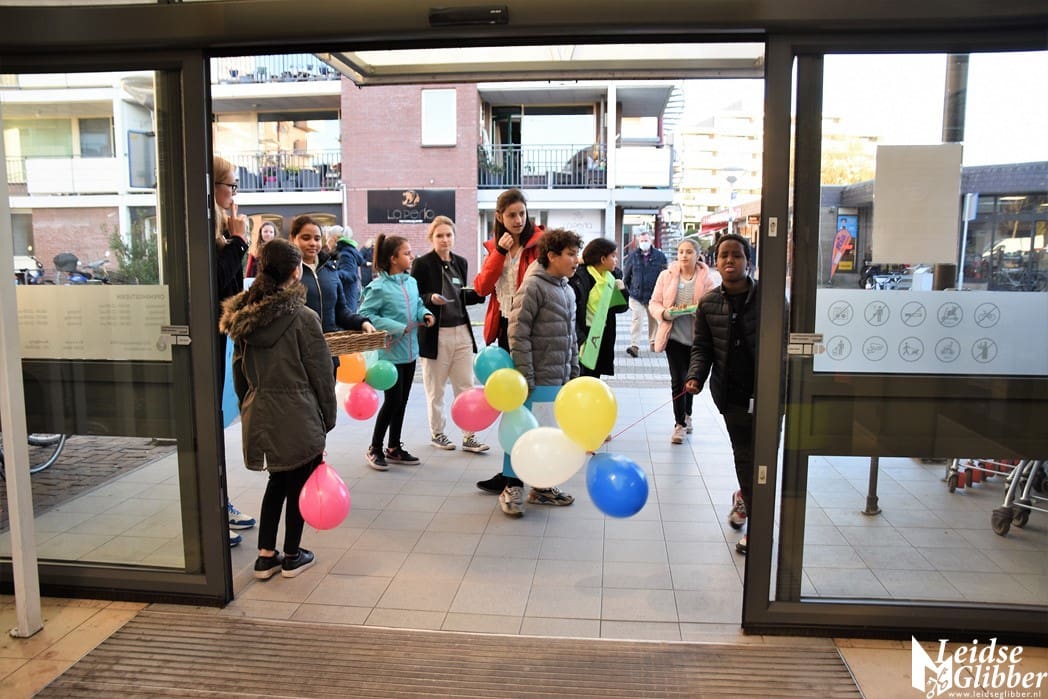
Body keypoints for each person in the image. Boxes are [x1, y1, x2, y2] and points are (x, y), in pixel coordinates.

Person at [219, 238, 335, 579]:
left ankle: (265, 556)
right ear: (296, 272)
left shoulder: (244, 321)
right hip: (298, 411)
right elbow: (321, 374)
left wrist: (251, 406)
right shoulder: (304, 318)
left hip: (261, 409)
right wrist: (327, 418)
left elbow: (239, 375)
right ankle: (293, 555)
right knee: (299, 484)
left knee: (277, 481)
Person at [498, 227, 583, 517]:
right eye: (570, 254)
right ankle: (511, 487)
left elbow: (571, 337)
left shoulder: (567, 289)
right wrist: (526, 375)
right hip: (535, 377)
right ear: (552, 256)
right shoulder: (533, 285)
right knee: (522, 433)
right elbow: (517, 332)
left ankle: (542, 487)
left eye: (576, 254)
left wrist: (573, 372)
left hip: (558, 377)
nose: (576, 260)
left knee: (549, 434)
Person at [684, 233, 760, 556]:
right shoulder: (709, 303)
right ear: (716, 262)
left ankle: (745, 498)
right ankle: (757, 525)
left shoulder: (770, 299)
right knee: (745, 455)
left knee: (764, 457)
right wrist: (695, 377)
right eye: (723, 255)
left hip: (768, 392)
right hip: (732, 395)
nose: (729, 260)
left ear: (748, 262)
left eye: (737, 255)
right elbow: (702, 347)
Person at [472, 188, 544, 495]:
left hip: (531, 329)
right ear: (500, 217)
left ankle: (526, 473)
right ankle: (510, 471)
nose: (518, 220)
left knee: (528, 400)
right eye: (511, 215)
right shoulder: (495, 247)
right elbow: (481, 287)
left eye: (522, 214)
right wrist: (499, 254)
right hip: (504, 328)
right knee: (510, 400)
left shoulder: (539, 245)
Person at [411, 216, 489, 453]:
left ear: (454, 236)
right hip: (436, 333)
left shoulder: (460, 262)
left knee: (465, 386)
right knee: (436, 389)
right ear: (431, 238)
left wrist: (482, 292)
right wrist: (430, 298)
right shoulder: (422, 264)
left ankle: (469, 435)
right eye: (439, 236)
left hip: (461, 331)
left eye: (448, 235)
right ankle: (438, 433)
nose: (445, 240)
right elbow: (415, 296)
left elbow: (461, 295)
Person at [357, 234, 434, 471]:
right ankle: (375, 448)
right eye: (406, 253)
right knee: (392, 402)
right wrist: (396, 327)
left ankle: (393, 447)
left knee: (402, 402)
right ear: (393, 259)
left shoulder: (411, 282)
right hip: (389, 355)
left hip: (410, 352)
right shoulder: (378, 287)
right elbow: (365, 314)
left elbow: (417, 305)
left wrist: (425, 314)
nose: (411, 256)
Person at [212, 155, 257, 547]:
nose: (234, 193)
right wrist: (239, 241)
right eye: (231, 185)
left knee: (216, 426)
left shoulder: (220, 229)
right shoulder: (206, 230)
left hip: (220, 337)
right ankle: (212, 513)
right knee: (208, 429)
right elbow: (216, 280)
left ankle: (220, 503)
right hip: (204, 341)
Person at [287, 216, 375, 378]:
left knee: (328, 395)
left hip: (328, 356)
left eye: (317, 238)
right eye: (306, 238)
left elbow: (341, 311)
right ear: (293, 238)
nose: (313, 243)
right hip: (296, 358)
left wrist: (362, 322)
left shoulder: (330, 271)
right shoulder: (285, 273)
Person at [649, 237, 716, 445]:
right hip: (674, 337)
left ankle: (688, 414)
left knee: (690, 379)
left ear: (697, 255)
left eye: (688, 252)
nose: (684, 256)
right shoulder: (666, 275)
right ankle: (679, 424)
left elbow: (713, 306)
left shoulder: (706, 278)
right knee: (678, 380)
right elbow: (654, 303)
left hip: (697, 340)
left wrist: (699, 311)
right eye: (680, 252)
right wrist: (665, 313)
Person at [568, 237, 628, 379]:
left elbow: (620, 308)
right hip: (585, 335)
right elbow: (572, 314)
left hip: (603, 335)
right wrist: (581, 340)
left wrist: (623, 291)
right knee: (582, 377)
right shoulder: (580, 278)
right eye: (613, 256)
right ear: (602, 259)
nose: (616, 260)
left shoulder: (612, 277)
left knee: (595, 377)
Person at [622, 231, 668, 358]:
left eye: (646, 240)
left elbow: (665, 275)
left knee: (653, 319)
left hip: (653, 294)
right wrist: (629, 290)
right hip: (636, 294)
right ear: (638, 242)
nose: (644, 243)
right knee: (637, 318)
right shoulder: (633, 256)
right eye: (641, 241)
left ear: (651, 241)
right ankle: (634, 346)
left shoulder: (660, 256)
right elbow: (627, 275)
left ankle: (653, 342)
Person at [332, 226, 364, 313]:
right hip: (349, 296)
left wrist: (332, 274)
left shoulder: (345, 254)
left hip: (346, 298)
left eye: (328, 238)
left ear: (335, 238)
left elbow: (351, 275)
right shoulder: (347, 251)